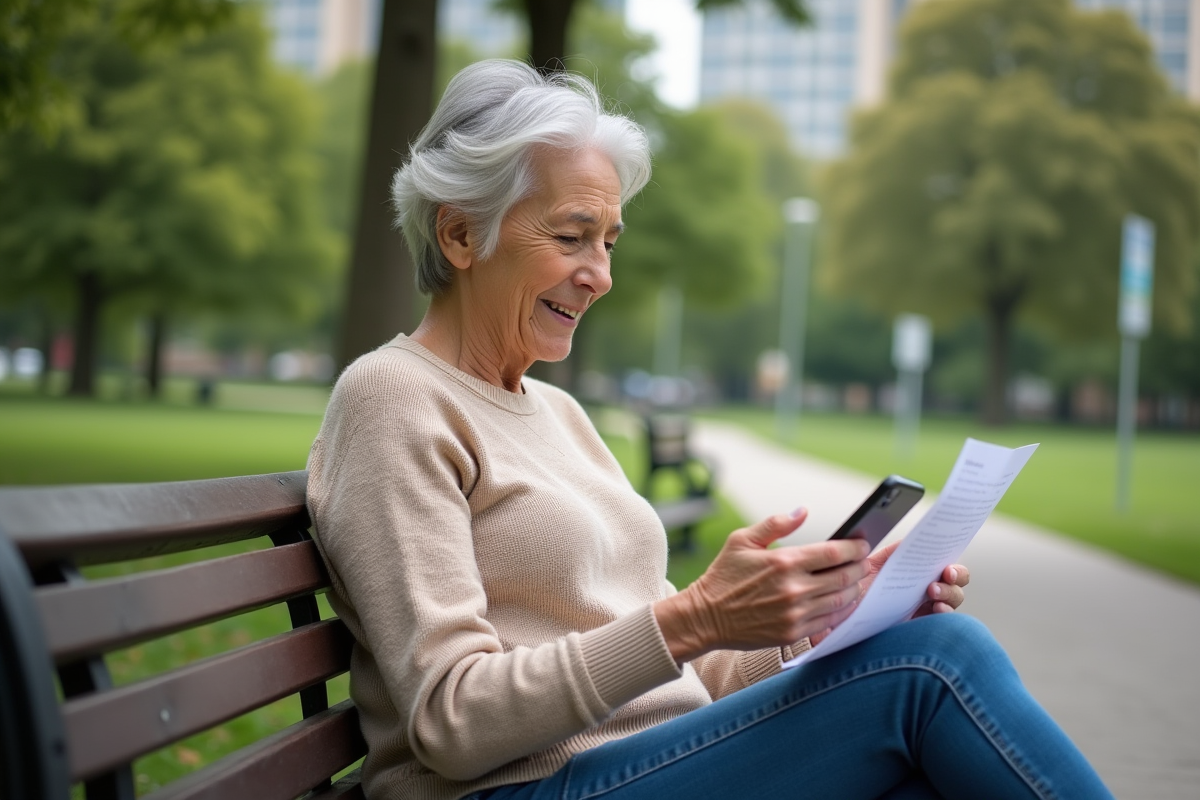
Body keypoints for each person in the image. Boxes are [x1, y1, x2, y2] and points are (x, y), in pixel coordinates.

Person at [306, 59, 1113, 800]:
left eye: (610, 241)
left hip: (647, 765)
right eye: (570, 236)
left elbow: (688, 672)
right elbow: (451, 721)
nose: (601, 274)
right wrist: (694, 617)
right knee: (939, 668)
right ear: (458, 235)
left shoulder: (559, 415)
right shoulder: (395, 398)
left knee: (923, 756)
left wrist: (825, 618)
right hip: (517, 788)